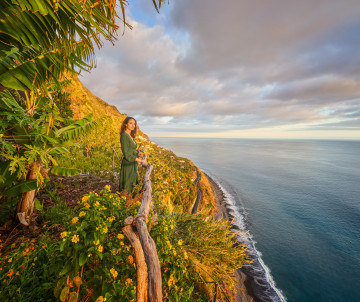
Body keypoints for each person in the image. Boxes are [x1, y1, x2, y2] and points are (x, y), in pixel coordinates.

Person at [118, 117, 146, 194]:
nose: (133, 125)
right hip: (128, 164)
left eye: (134, 124)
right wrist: (139, 160)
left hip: (132, 163)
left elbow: (131, 151)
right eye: (130, 123)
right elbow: (126, 154)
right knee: (128, 184)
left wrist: (139, 154)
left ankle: (130, 201)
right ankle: (126, 201)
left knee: (132, 182)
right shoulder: (124, 135)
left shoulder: (130, 135)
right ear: (126, 124)